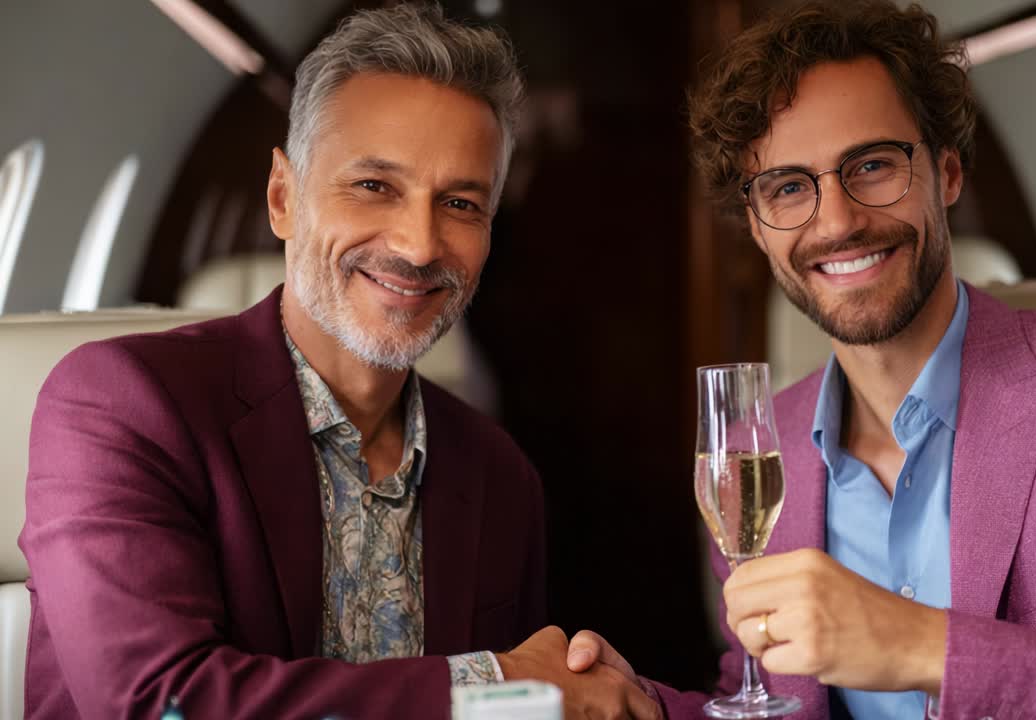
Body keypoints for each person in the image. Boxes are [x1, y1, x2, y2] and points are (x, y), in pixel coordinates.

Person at [568, 2, 1036, 718]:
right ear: (755, 225)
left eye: (873, 166)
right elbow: (760, 699)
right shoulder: (764, 453)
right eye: (788, 187)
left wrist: (924, 648)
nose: (838, 221)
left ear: (946, 173)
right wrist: (646, 708)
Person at [20, 4, 657, 719]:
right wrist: (490, 679)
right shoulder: (121, 405)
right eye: (374, 186)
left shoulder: (500, 476)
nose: (419, 245)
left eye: (459, 202)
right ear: (282, 198)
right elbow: (159, 703)